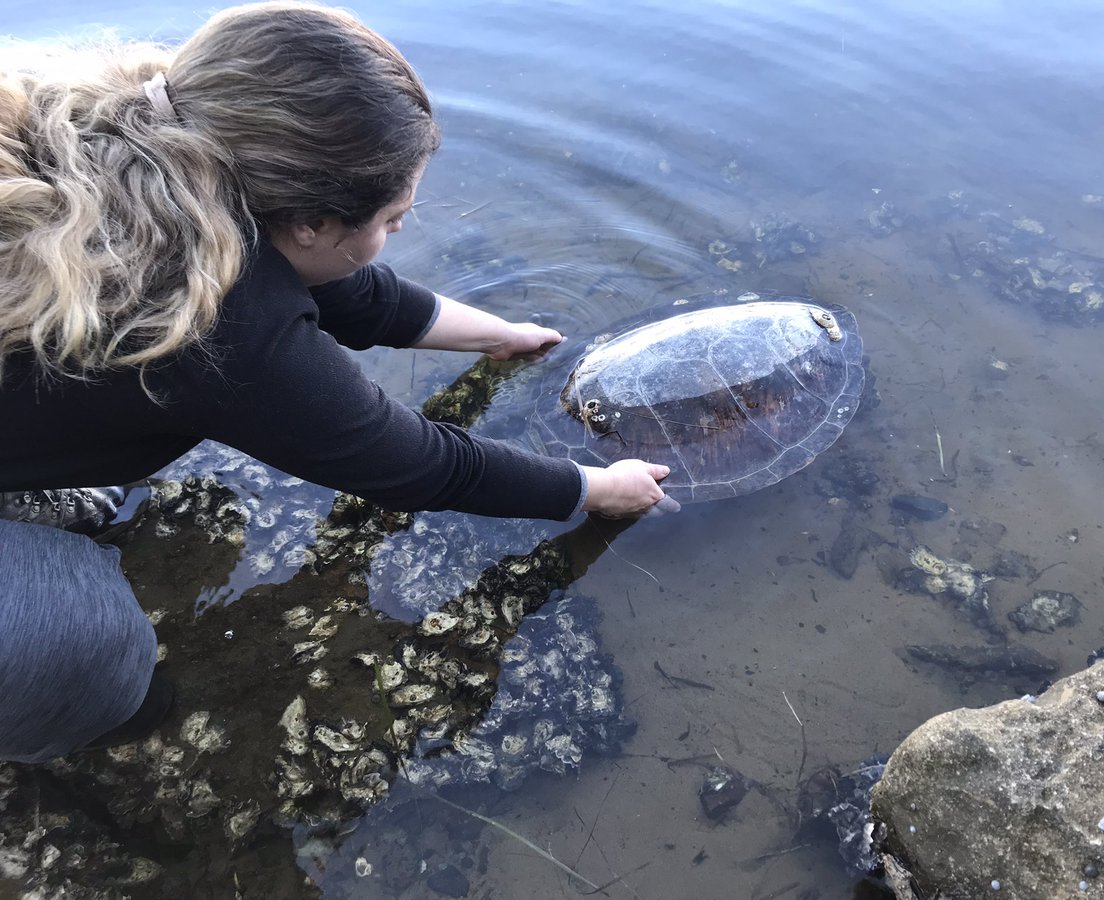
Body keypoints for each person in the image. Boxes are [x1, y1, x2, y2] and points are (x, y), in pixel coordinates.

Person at [0, 1, 672, 763]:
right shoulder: (221, 323)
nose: (398, 233)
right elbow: (417, 463)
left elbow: (348, 290)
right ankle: (91, 738)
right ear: (311, 221)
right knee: (84, 641)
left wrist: (498, 335)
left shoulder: (151, 146)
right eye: (393, 216)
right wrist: (596, 488)